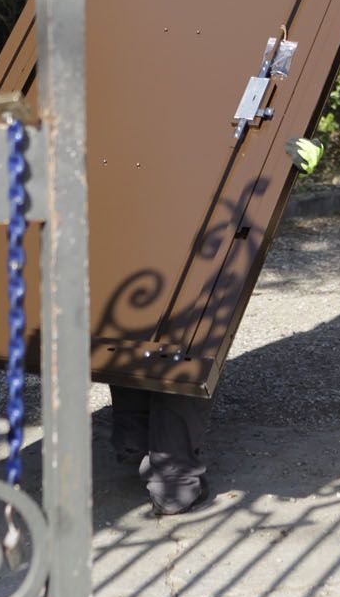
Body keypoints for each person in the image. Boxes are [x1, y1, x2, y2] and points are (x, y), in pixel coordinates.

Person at [109, 136, 324, 516]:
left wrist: (305, 139)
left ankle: (171, 477)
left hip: (204, 197)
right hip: (133, 181)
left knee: (186, 330)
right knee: (132, 310)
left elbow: (290, 84)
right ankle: (142, 447)